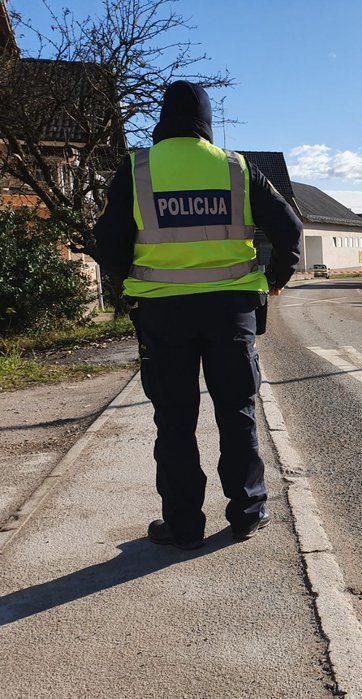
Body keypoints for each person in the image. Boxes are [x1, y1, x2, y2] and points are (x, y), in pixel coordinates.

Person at [92, 81, 302, 550]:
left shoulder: (137, 168)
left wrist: (130, 284)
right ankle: (248, 512)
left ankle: (184, 526)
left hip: (162, 314)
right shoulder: (238, 169)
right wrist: (273, 280)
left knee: (174, 419)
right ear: (206, 123)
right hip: (231, 313)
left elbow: (107, 243)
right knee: (238, 412)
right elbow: (290, 229)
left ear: (162, 121)